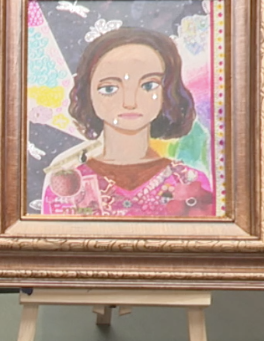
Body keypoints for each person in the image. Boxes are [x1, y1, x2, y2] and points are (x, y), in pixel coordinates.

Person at [42, 26, 214, 217]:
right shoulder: (68, 186)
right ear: (87, 93)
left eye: (148, 86)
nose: (129, 102)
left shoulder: (189, 182)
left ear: (168, 92)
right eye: (109, 88)